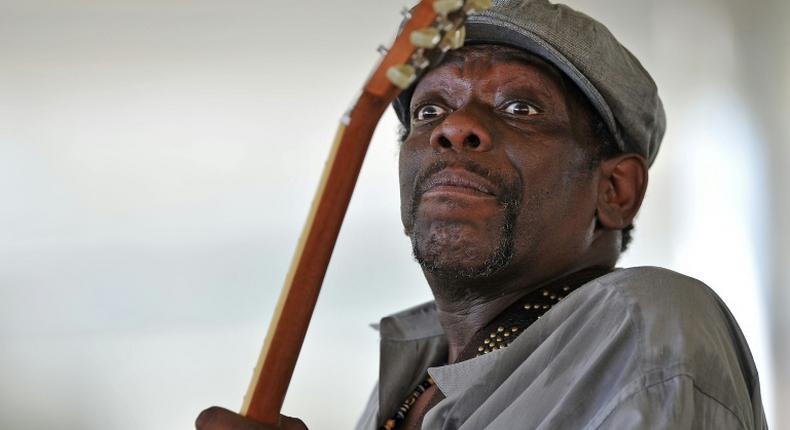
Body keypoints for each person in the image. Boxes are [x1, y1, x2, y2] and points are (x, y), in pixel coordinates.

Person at [196, 0, 767, 429]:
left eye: (520, 107)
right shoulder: (411, 375)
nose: (453, 127)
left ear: (615, 189)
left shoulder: (645, 320)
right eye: (429, 111)